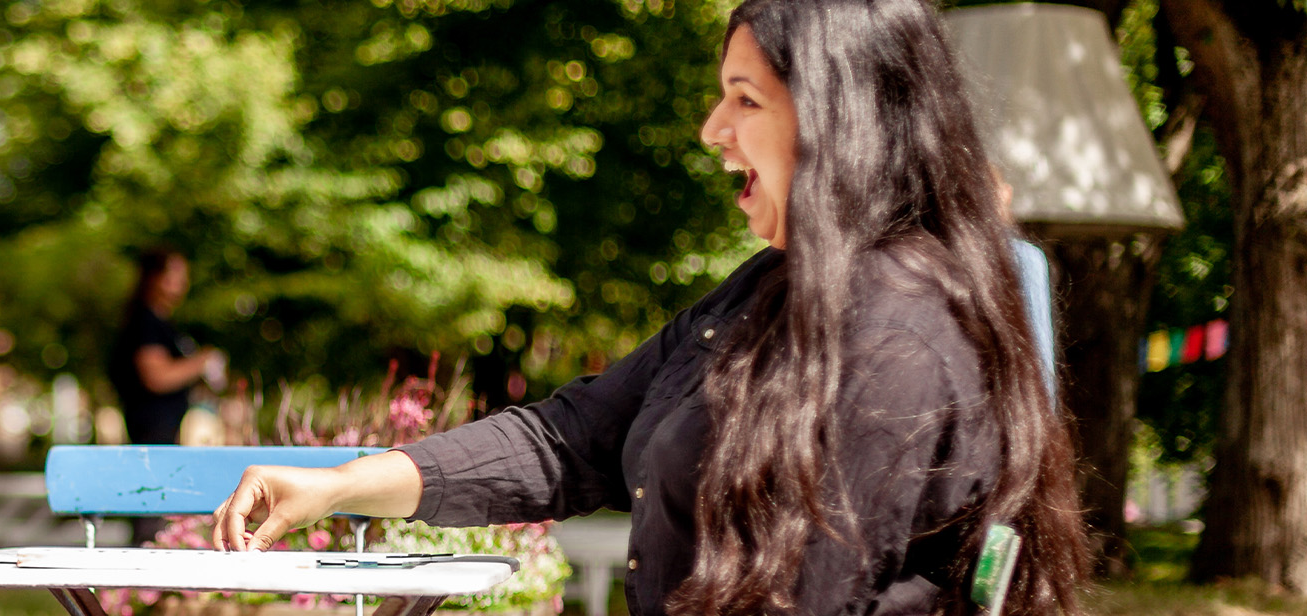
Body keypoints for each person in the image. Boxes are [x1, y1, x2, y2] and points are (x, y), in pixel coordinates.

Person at [209, 1, 1089, 614]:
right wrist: (341, 487)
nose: (713, 128)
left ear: (840, 121)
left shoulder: (899, 337)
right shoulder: (773, 291)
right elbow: (574, 438)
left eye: (745, 99)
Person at [108, 247, 225, 447]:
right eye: (175, 274)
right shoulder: (145, 322)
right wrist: (200, 363)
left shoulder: (165, 324)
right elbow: (156, 377)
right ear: (154, 278)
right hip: (154, 435)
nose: (183, 282)